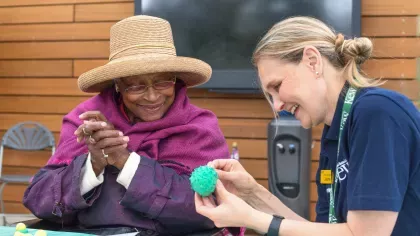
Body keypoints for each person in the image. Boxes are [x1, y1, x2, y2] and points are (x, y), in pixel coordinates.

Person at [194, 16, 420, 236]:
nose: (277, 104)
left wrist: (251, 218)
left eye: (277, 86)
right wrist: (252, 194)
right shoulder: (335, 132)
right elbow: (319, 231)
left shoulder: (378, 112)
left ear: (312, 61)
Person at [22, 15, 243, 236]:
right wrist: (93, 164)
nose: (152, 96)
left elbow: (211, 209)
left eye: (163, 81)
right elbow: (38, 199)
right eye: (136, 86)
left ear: (177, 80)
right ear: (117, 86)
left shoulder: (199, 127)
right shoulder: (86, 121)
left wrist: (125, 161)